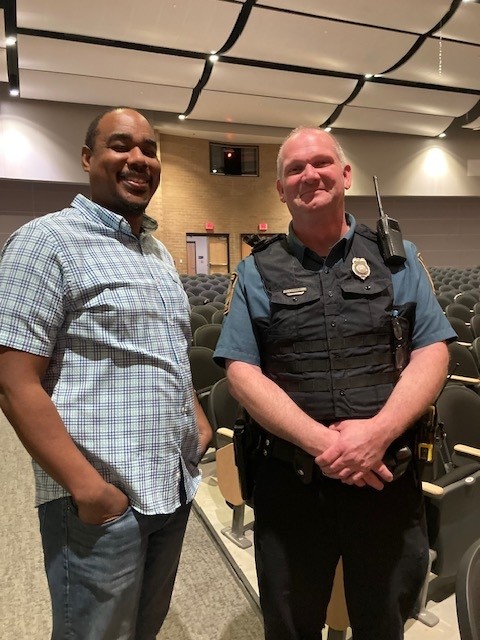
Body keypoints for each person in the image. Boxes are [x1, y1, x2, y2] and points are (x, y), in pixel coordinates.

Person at [214, 126, 456, 640]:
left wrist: (377, 434)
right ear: (280, 189)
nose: (310, 175)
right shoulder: (256, 271)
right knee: (290, 627)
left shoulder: (398, 258)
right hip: (292, 486)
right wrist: (326, 443)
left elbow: (432, 351)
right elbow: (241, 371)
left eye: (321, 162)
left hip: (386, 479)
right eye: (294, 169)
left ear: (345, 175)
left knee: (384, 624)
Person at [0, 107, 212, 640]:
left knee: (143, 630)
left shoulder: (156, 253)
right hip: (101, 503)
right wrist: (90, 492)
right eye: (120, 145)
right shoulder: (44, 242)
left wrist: (196, 417)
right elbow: (13, 381)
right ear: (87, 158)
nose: (138, 158)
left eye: (149, 149)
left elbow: (167, 348)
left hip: (172, 487)